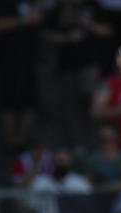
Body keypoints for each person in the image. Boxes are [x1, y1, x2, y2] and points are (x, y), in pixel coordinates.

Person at [43, 0, 112, 146]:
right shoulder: (60, 7)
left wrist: (89, 24)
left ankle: (94, 140)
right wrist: (67, 38)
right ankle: (76, 145)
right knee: (69, 107)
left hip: (89, 63)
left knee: (89, 99)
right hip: (67, 66)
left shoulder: (94, 6)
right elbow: (46, 33)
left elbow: (108, 31)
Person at [0, 0, 45, 153]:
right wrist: (25, 20)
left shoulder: (36, 4)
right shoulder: (5, 4)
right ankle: (10, 142)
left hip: (31, 60)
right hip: (8, 60)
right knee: (9, 103)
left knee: (30, 101)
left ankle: (21, 141)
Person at [84, 125, 121, 193]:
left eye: (112, 138)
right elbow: (87, 187)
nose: (109, 142)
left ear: (117, 139)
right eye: (104, 140)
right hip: (101, 198)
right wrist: (108, 188)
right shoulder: (93, 160)